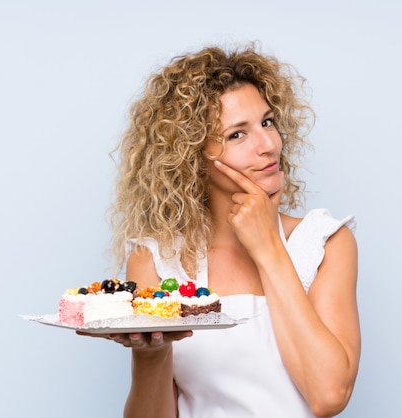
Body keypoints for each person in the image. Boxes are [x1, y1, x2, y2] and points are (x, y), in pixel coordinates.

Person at [90, 43, 360, 418]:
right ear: (192, 156)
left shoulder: (326, 243)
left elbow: (329, 395)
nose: (269, 145)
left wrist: (267, 247)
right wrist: (151, 354)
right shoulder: (156, 261)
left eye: (267, 122)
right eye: (238, 134)